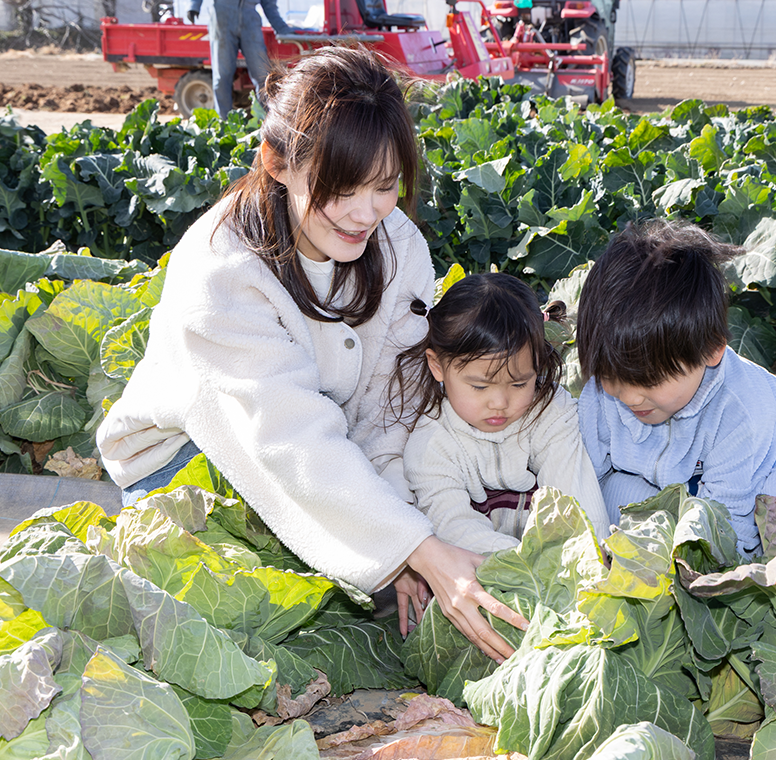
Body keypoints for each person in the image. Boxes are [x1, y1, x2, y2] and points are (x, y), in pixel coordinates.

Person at [96, 47, 526, 662]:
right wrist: (414, 548)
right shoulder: (221, 270)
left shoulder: (397, 244)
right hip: (187, 464)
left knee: (376, 598)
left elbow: (391, 408)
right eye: (339, 188)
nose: (364, 213)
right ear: (277, 162)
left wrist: (402, 528)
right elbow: (284, 438)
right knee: (238, 632)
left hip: (326, 461)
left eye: (384, 187)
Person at [575, 220, 776, 557]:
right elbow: (583, 482)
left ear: (711, 351)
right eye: (610, 376)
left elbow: (728, 521)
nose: (629, 397)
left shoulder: (739, 407)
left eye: (650, 380)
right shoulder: (600, 398)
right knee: (612, 492)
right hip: (693, 497)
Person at [390, 273, 612, 561]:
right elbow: (453, 528)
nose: (500, 402)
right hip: (483, 566)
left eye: (519, 383)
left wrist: (590, 558)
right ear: (437, 366)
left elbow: (576, 505)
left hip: (554, 562)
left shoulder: (551, 411)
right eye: (480, 386)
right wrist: (528, 566)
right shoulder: (433, 440)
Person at [187, 0, 295, 119]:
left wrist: (281, 28)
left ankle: (268, 121)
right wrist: (194, 6)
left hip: (250, 19)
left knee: (263, 74)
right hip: (222, 17)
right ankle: (223, 122)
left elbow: (269, 4)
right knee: (222, 76)